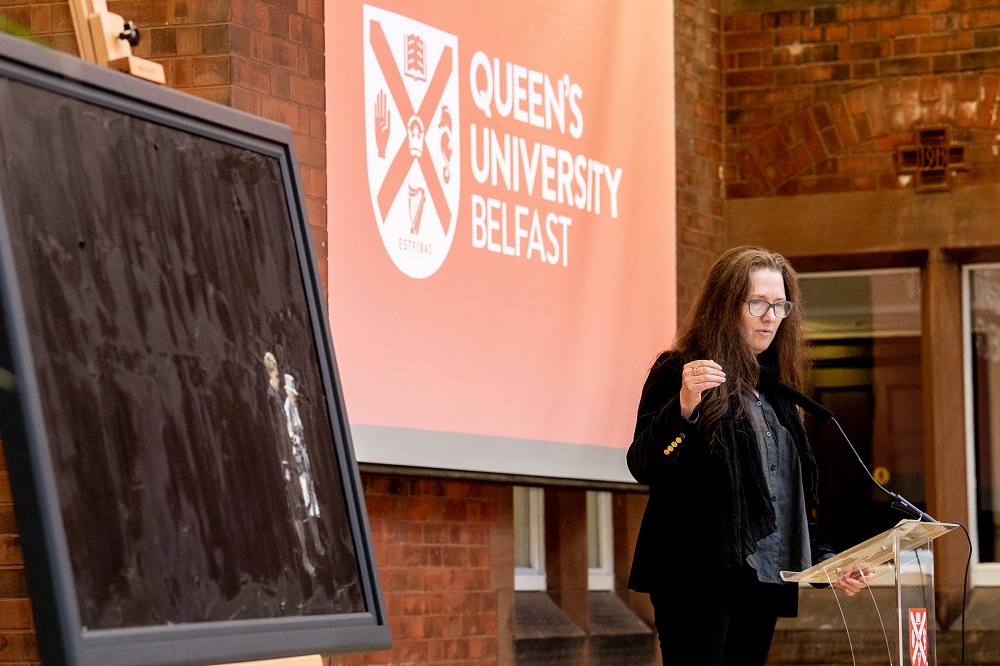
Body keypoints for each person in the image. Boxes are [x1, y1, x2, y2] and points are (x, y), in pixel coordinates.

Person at [626, 246, 866, 665]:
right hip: (697, 577)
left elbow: (784, 497)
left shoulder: (776, 392)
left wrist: (829, 561)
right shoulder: (682, 371)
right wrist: (684, 406)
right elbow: (643, 464)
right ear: (726, 305)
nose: (770, 316)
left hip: (764, 578)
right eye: (757, 303)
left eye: (779, 305)